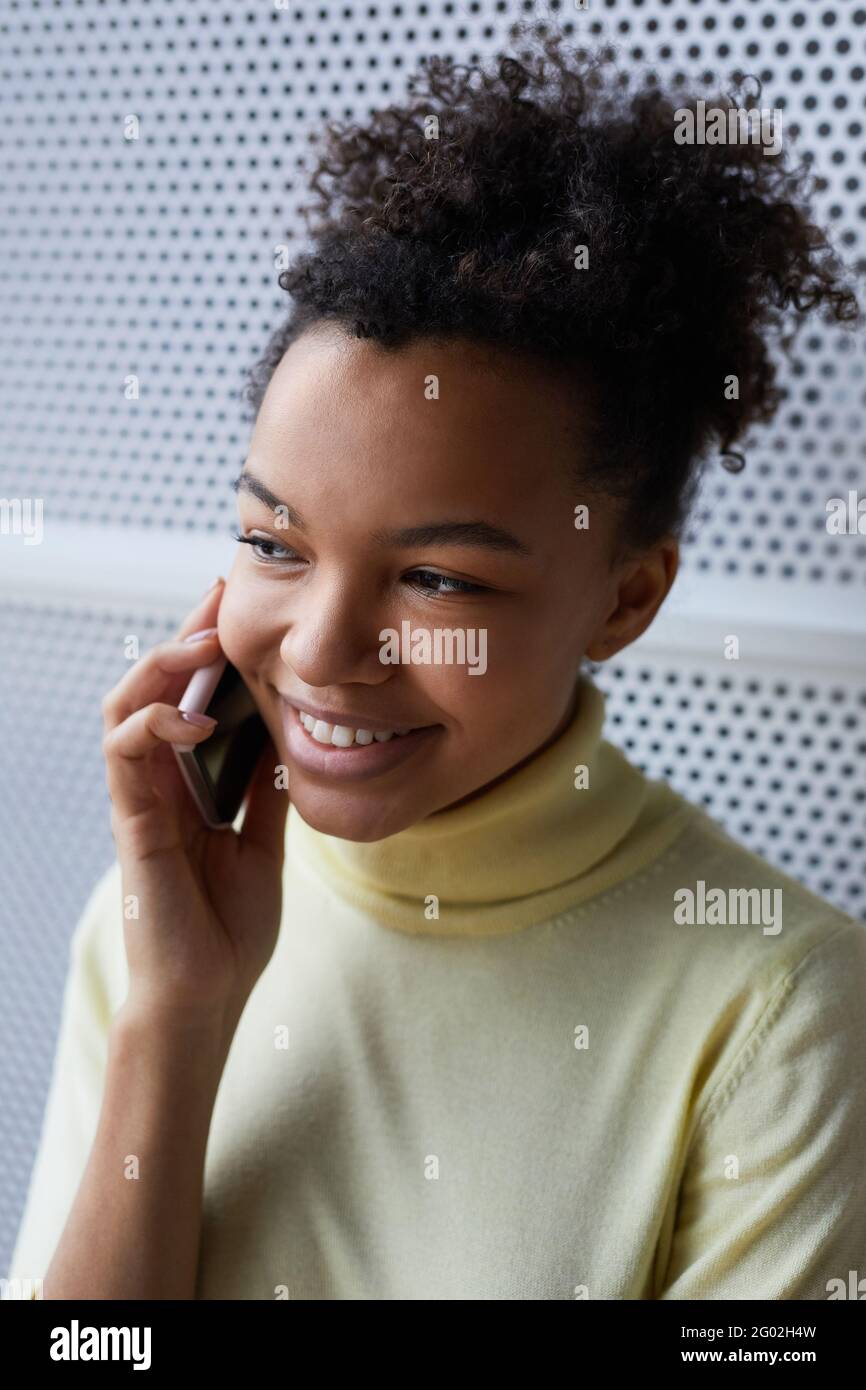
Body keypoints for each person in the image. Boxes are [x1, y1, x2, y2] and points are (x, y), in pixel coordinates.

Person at [9, 31, 866, 1300]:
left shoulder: (777, 1012)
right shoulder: (158, 914)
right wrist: (176, 1022)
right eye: (271, 542)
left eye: (438, 578)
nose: (316, 651)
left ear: (625, 597)